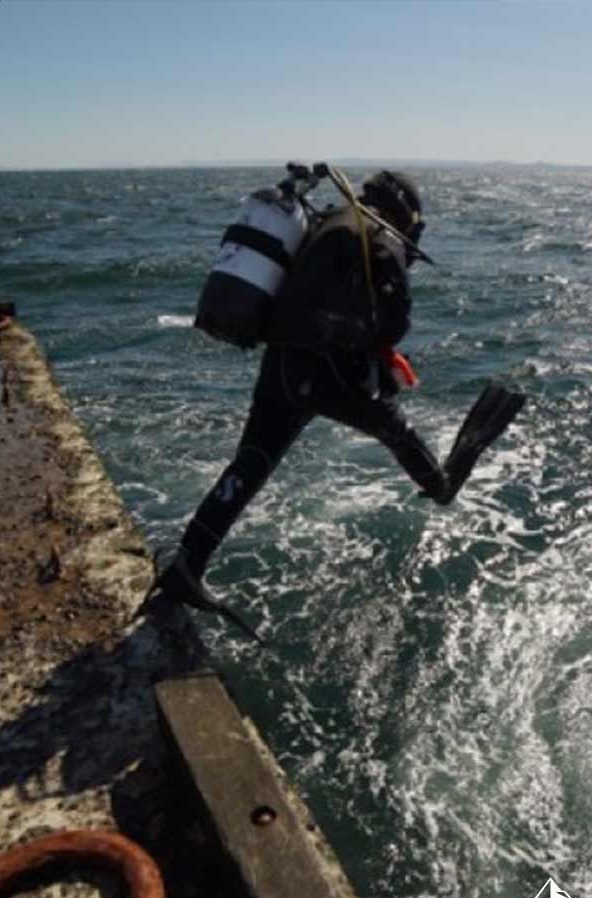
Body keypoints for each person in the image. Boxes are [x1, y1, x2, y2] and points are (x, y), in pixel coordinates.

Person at [149, 170, 525, 642]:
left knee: (252, 461)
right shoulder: (376, 235)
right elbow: (395, 317)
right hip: (322, 370)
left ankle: (188, 562)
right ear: (405, 213)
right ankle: (441, 484)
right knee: (396, 429)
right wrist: (381, 354)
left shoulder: (328, 221)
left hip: (282, 363)